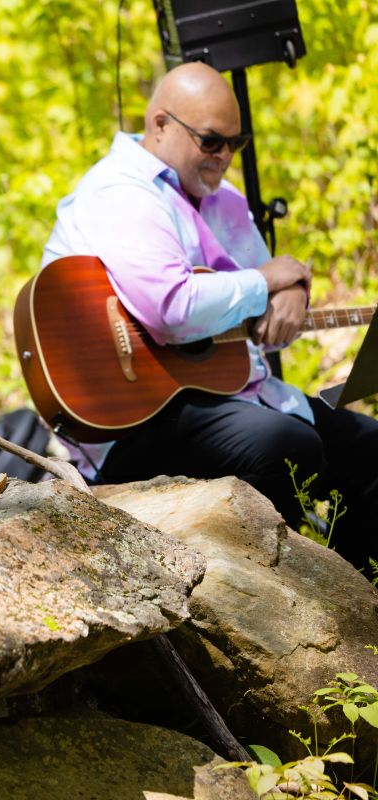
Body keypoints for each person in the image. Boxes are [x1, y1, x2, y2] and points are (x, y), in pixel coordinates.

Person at [41, 62, 378, 567]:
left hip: (226, 394)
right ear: (160, 125)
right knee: (286, 445)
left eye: (235, 144)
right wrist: (268, 281)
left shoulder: (226, 203)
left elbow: (267, 314)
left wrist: (295, 293)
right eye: (211, 141)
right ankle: (281, 600)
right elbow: (172, 310)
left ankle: (354, 596)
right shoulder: (119, 192)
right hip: (134, 414)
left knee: (371, 448)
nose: (224, 157)